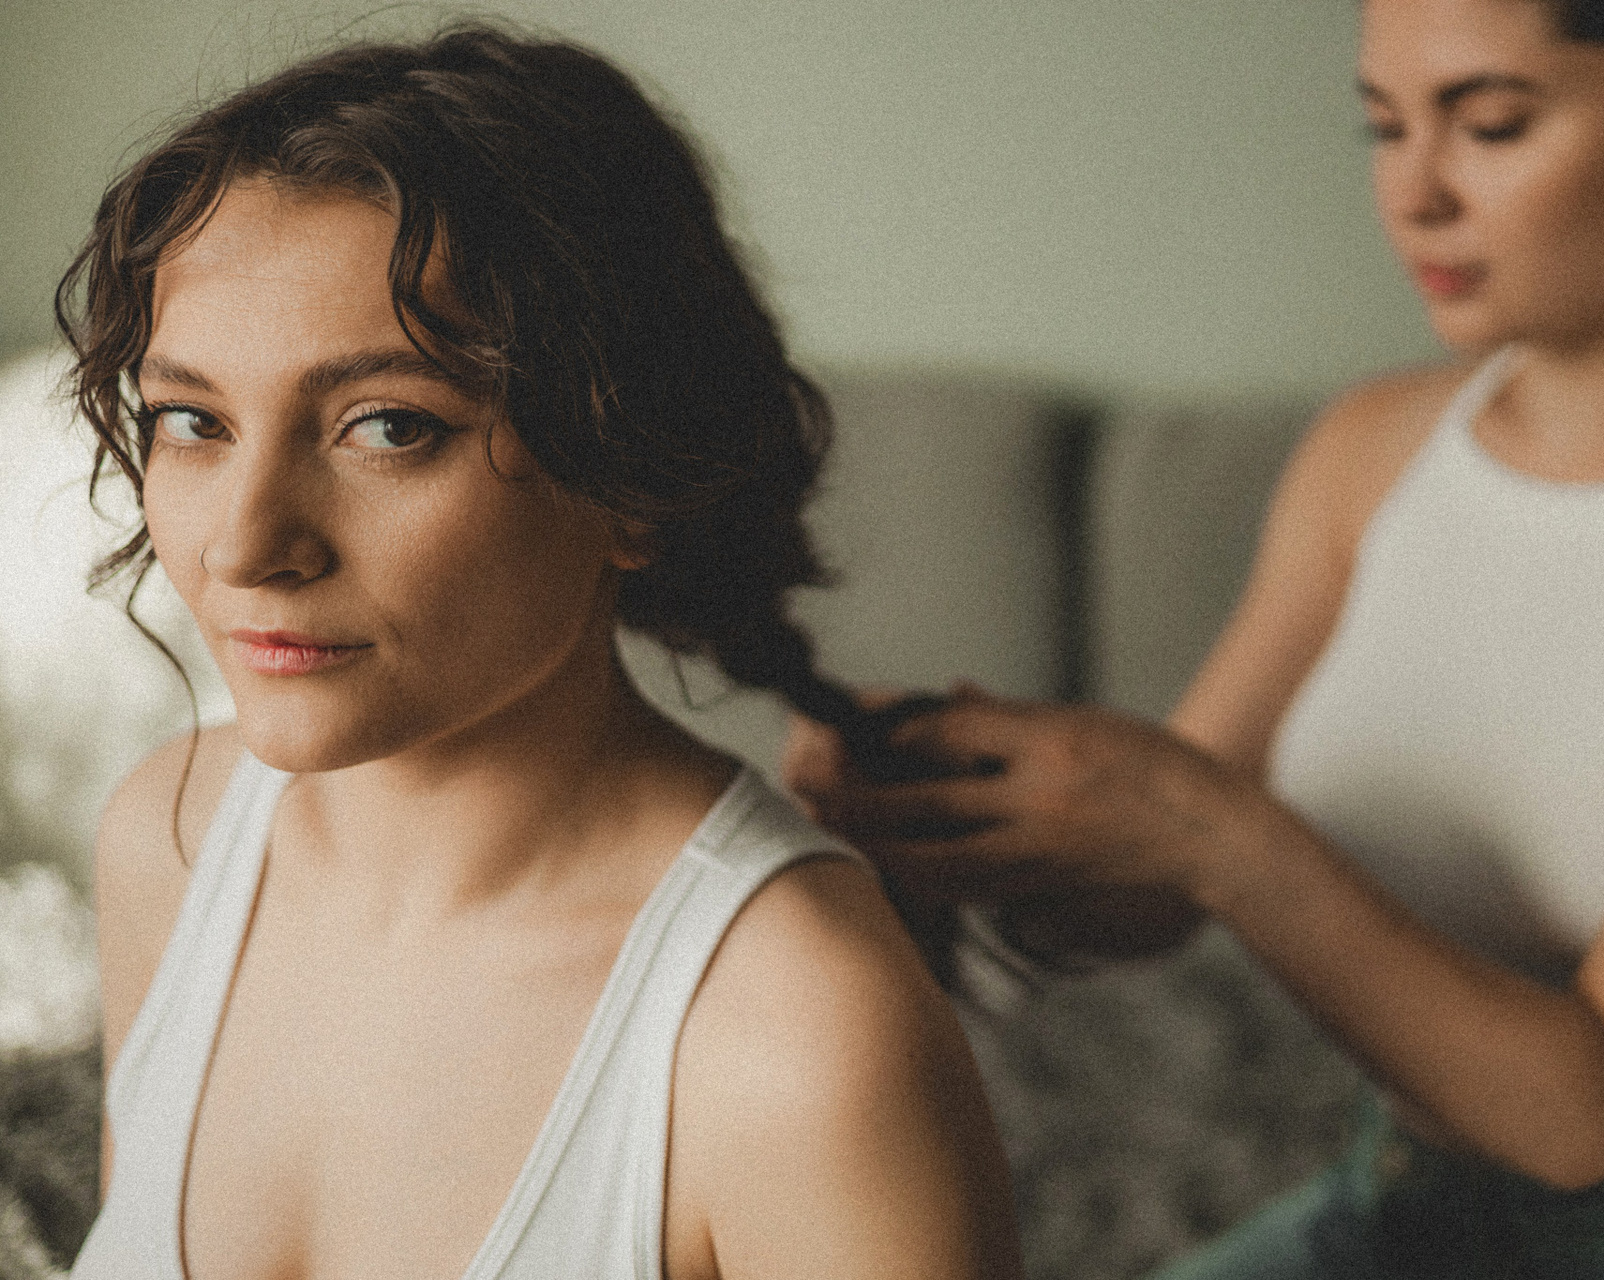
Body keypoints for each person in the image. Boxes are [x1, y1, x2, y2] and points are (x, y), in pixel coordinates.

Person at [787, 0, 1604, 1274]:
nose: (1415, 194)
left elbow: (1590, 1114)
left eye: (1492, 125)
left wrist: (1211, 826)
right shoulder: (1369, 449)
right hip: (1387, 1200)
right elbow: (1150, 887)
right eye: (1385, 128)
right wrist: (956, 809)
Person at [60, 26, 1022, 1280]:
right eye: (193, 419)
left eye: (387, 427)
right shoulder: (169, 839)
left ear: (633, 479)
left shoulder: (796, 1036)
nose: (246, 545)